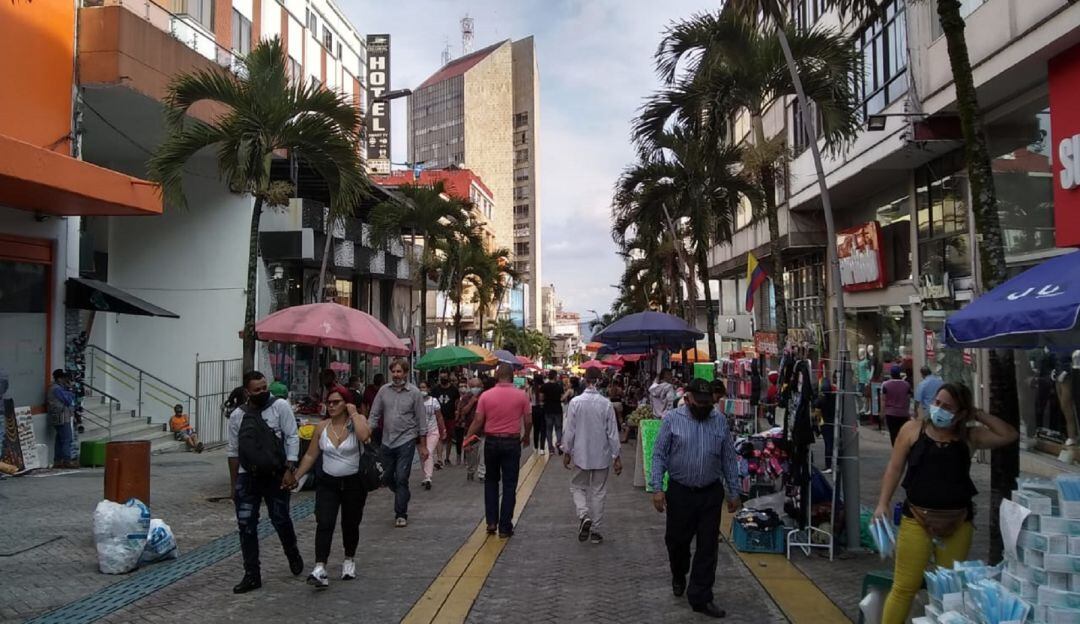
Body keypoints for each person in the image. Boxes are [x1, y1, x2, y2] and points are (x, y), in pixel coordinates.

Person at [873, 383, 1018, 624]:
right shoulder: (912, 430)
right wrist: (882, 503)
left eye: (947, 407)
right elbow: (895, 468)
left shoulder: (969, 436)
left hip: (958, 523)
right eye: (937, 403)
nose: (939, 409)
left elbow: (1009, 434)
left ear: (961, 413)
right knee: (904, 588)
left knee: (949, 592)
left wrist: (978, 413)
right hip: (916, 519)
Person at [650, 378, 742, 619]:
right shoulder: (672, 419)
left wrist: (734, 491)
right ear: (688, 398)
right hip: (680, 493)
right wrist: (657, 488)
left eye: (706, 402)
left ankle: (701, 596)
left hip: (710, 494)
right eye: (698, 402)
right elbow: (659, 455)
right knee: (676, 542)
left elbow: (729, 458)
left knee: (708, 547)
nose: (703, 406)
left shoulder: (719, 421)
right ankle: (679, 573)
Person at [227, 370, 303, 594]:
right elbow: (232, 451)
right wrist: (234, 486)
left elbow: (292, 436)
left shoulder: (280, 407)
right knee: (246, 526)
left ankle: (292, 552)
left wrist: (291, 468)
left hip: (276, 475)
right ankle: (252, 574)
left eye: (264, 387)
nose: (262, 392)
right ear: (247, 392)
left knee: (280, 518)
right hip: (247, 476)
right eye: (257, 389)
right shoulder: (237, 416)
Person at [291, 386, 371, 589]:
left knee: (350, 523)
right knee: (324, 522)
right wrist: (296, 476)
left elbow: (364, 436)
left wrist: (354, 412)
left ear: (346, 403)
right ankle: (320, 567)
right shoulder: (322, 427)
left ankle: (349, 559)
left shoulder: (356, 422)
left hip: (353, 482)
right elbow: (310, 455)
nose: (332, 406)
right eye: (329, 402)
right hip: (328, 482)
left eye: (337, 402)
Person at [465, 364, 531, 538]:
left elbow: (478, 420)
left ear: (496, 375)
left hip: (492, 441)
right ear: (512, 376)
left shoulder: (486, 396)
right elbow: (528, 419)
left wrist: (468, 437)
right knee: (510, 485)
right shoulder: (522, 395)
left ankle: (491, 522)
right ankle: (505, 526)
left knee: (491, 481)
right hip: (512, 442)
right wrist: (527, 436)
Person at [561, 367, 622, 545]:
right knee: (599, 492)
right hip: (601, 455)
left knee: (577, 486)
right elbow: (613, 432)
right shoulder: (606, 403)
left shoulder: (576, 402)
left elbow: (570, 430)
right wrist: (616, 456)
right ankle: (595, 530)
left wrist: (567, 451)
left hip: (580, 454)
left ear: (585, 380)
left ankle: (583, 514)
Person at [368, 359, 430, 528]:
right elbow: (374, 415)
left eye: (399, 372)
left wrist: (423, 446)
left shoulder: (415, 393)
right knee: (385, 477)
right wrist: (366, 433)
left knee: (402, 477)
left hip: (406, 440)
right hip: (387, 441)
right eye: (393, 372)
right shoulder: (383, 391)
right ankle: (403, 494)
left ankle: (400, 513)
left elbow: (421, 421)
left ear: (405, 373)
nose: (396, 375)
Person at [418, 381, 445, 491]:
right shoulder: (416, 402)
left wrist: (443, 429)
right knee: (422, 455)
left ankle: (428, 477)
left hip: (432, 431)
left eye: (424, 387)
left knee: (428, 452)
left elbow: (439, 417)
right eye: (420, 388)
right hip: (419, 433)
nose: (422, 390)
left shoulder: (434, 401)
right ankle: (425, 475)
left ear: (429, 389)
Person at [47, 369, 77, 469]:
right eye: (64, 378)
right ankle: (66, 460)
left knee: (60, 439)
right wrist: (70, 390)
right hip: (62, 416)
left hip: (59, 415)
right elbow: (68, 400)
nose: (66, 380)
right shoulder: (57, 389)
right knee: (67, 438)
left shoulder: (56, 387)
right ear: (59, 378)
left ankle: (58, 460)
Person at [458, 377, 483, 480]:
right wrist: (471, 402)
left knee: (483, 454)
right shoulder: (466, 397)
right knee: (471, 454)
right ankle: (471, 470)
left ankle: (482, 473)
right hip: (470, 430)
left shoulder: (485, 396)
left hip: (484, 430)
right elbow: (462, 412)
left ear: (481, 387)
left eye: (477, 386)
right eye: (472, 387)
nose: (475, 389)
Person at [881, 365, 913, 445]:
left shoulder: (886, 385)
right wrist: (908, 411)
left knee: (893, 433)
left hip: (890, 413)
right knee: (902, 432)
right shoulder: (906, 385)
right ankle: (903, 449)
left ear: (891, 374)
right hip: (903, 413)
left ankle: (895, 449)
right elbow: (908, 399)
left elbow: (883, 399)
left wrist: (882, 412)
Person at [434, 373, 460, 467]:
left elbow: (457, 402)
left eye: (445, 377)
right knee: (439, 437)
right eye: (441, 377)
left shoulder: (454, 390)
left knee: (449, 437)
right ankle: (439, 458)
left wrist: (457, 411)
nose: (443, 379)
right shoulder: (435, 389)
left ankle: (447, 457)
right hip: (438, 417)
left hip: (450, 417)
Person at [815, 373, 837, 473]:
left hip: (825, 423)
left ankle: (828, 466)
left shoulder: (820, 400)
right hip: (835, 422)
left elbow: (817, 414)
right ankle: (835, 465)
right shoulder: (835, 397)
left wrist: (818, 426)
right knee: (834, 444)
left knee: (828, 444)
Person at [541, 370, 565, 454]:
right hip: (557, 409)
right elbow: (562, 398)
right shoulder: (559, 386)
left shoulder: (544, 386)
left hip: (548, 409)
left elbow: (541, 398)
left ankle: (550, 449)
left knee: (549, 429)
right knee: (558, 428)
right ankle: (559, 444)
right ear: (555, 376)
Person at [529, 374, 547, 455]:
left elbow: (529, 398)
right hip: (542, 409)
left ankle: (535, 447)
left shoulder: (531, 388)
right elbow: (542, 398)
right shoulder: (543, 388)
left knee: (536, 429)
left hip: (534, 409)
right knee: (543, 429)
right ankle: (542, 448)